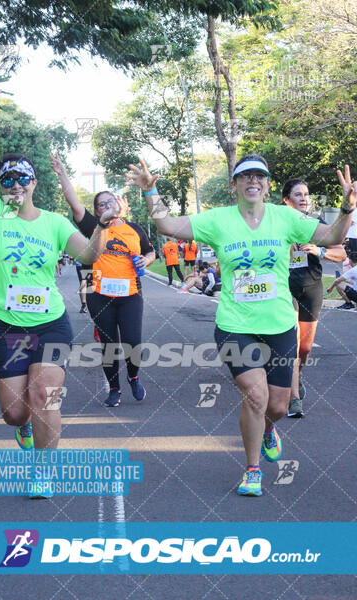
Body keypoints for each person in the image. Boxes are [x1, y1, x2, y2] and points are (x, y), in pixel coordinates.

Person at [126, 155, 356, 497]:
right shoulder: (218, 220)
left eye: (259, 177)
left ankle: (266, 430)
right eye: (245, 176)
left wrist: (347, 207)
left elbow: (331, 235)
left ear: (266, 185)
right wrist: (150, 192)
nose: (253, 181)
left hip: (279, 325)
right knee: (255, 395)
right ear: (234, 185)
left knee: (277, 406)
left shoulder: (285, 217)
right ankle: (252, 469)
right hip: (235, 323)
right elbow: (168, 226)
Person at [0, 85, 118, 497]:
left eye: (22, 178)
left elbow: (87, 255)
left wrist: (101, 229)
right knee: (15, 412)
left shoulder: (53, 222)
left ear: (33, 183)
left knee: (46, 397)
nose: (14, 185)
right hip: (8, 326)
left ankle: (44, 472)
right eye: (7, 179)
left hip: (51, 325)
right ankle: (26, 428)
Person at [50, 155, 156, 407]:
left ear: (119, 204)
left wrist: (147, 260)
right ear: (97, 211)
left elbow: (151, 251)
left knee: (132, 341)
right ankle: (115, 389)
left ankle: (133, 377)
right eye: (101, 204)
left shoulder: (135, 229)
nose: (106, 206)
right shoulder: (93, 227)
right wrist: (63, 174)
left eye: (110, 201)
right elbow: (74, 203)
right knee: (109, 345)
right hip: (100, 295)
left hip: (131, 295)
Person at [283, 179, 346, 417]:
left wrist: (318, 250)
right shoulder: (278, 224)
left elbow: (340, 253)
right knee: (292, 342)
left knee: (305, 348)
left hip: (311, 287)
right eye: (297, 194)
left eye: (306, 194)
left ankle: (296, 378)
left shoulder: (315, 224)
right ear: (286, 200)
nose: (304, 198)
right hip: (284, 288)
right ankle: (294, 400)